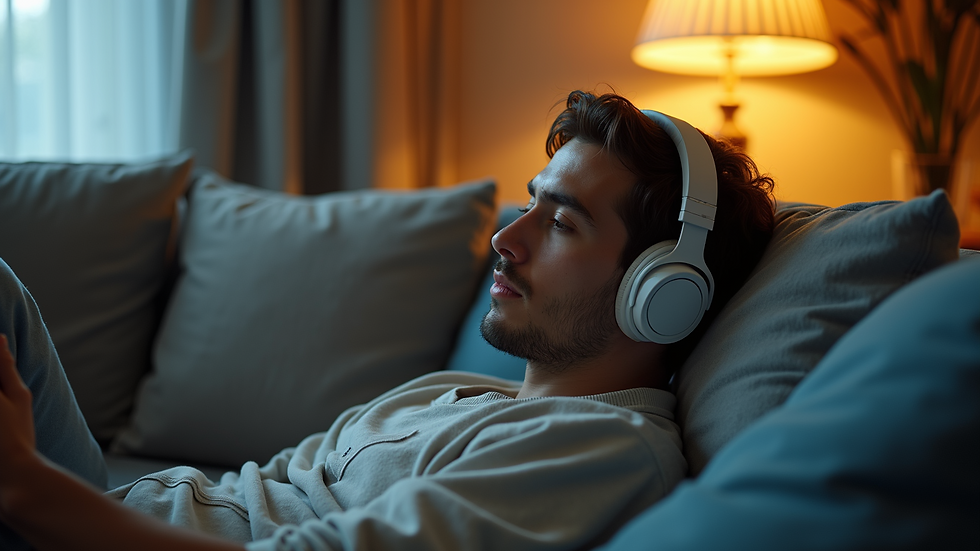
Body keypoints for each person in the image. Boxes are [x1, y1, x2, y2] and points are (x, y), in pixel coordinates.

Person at [0, 90, 774, 551]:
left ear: (661, 290)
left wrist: (31, 492)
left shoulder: (607, 449)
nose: (507, 239)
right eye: (529, 202)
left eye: (562, 223)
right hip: (113, 509)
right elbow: (262, 484)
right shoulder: (462, 392)